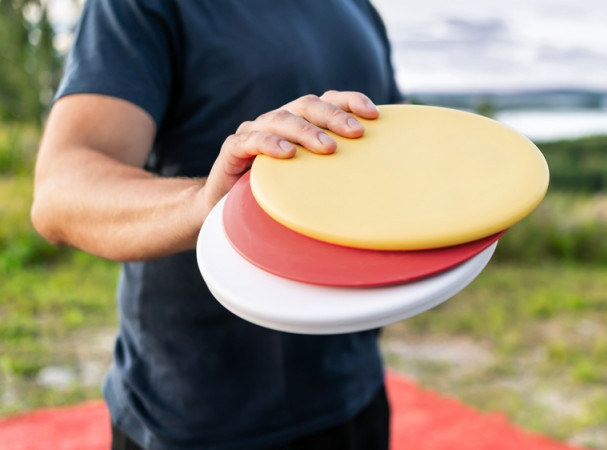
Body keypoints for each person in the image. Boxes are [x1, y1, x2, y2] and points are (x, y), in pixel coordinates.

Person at [31, 0, 404, 449]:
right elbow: (61, 190)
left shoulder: (356, 9)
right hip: (191, 417)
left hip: (352, 394)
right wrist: (209, 200)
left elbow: (383, 168)